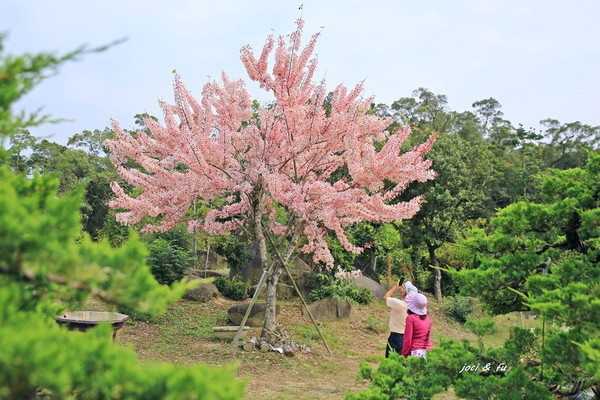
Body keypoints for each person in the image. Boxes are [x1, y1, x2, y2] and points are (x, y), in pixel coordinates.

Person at [382, 279, 419, 358]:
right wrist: (405, 289)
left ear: (405, 293)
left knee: (390, 361)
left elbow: (385, 297)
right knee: (402, 362)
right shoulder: (415, 308)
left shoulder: (399, 304)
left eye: (404, 290)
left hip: (396, 337)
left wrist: (396, 286)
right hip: (409, 337)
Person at [402, 292, 433, 360]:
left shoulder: (411, 318)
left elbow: (408, 339)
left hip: (415, 352)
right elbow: (428, 337)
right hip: (428, 352)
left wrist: (404, 355)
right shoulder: (428, 318)